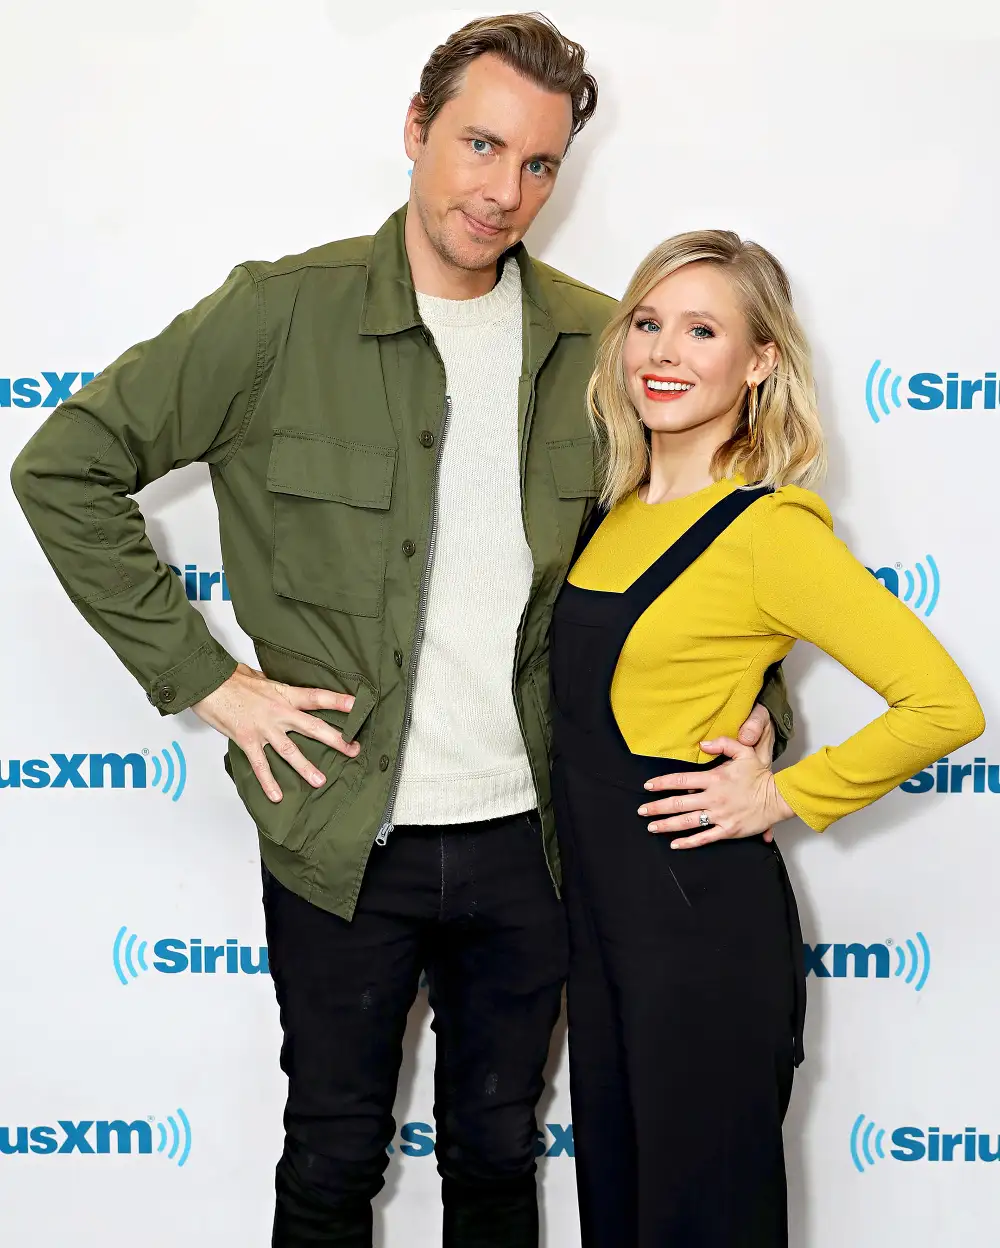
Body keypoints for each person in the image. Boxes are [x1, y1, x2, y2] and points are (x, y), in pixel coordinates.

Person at [9, 17, 792, 1248]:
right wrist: (209, 681)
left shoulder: (599, 342)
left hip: (532, 842)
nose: (504, 190)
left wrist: (758, 721)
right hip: (340, 836)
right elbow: (63, 469)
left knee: (496, 1155)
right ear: (417, 131)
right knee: (330, 1154)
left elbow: (707, 546)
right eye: (481, 144)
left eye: (538, 165)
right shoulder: (278, 315)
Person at [550, 228, 985, 1247]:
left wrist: (783, 793)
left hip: (699, 928)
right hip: (604, 936)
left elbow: (944, 704)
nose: (663, 352)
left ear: (758, 363)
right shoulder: (610, 515)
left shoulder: (772, 528)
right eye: (648, 324)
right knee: (620, 1210)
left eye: (701, 330)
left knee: (703, 1221)